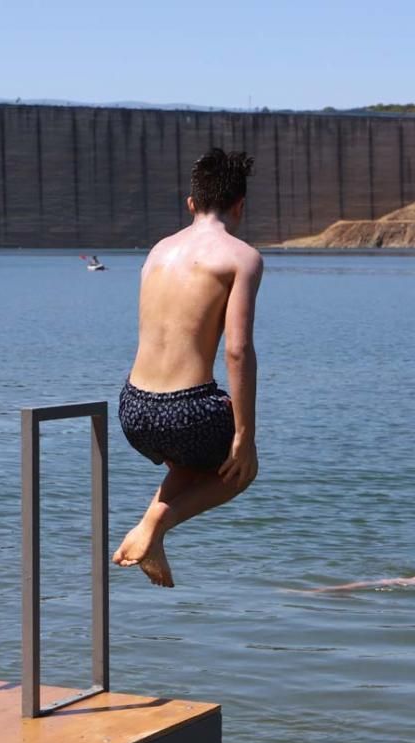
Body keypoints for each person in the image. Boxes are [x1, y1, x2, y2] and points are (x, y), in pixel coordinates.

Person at [112, 149, 264, 588]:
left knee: (197, 456)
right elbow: (237, 350)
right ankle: (154, 526)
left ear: (191, 203)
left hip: (133, 409)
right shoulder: (241, 257)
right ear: (240, 206)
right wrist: (244, 436)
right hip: (185, 410)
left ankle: (151, 528)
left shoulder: (159, 251)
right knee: (240, 469)